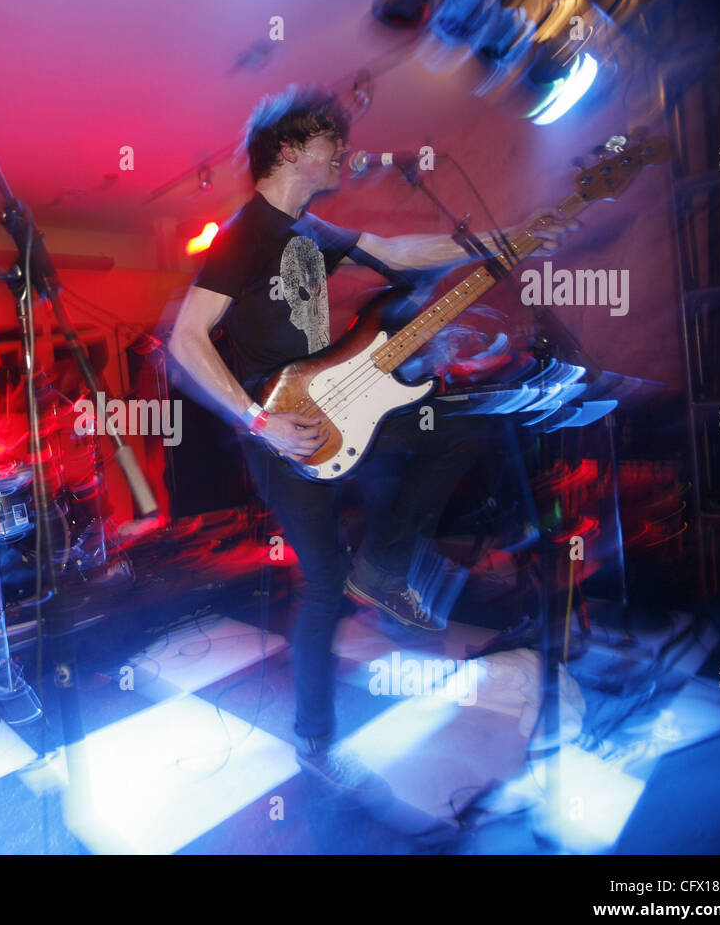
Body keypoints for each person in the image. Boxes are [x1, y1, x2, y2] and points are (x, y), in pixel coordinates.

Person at [167, 84, 574, 792]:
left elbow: (394, 250)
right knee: (323, 588)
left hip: (347, 407)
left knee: (464, 422)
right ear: (291, 149)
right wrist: (257, 421)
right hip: (285, 434)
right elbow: (187, 338)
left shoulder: (308, 235)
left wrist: (500, 241)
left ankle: (385, 565)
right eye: (333, 142)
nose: (347, 154)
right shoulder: (244, 235)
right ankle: (314, 738)